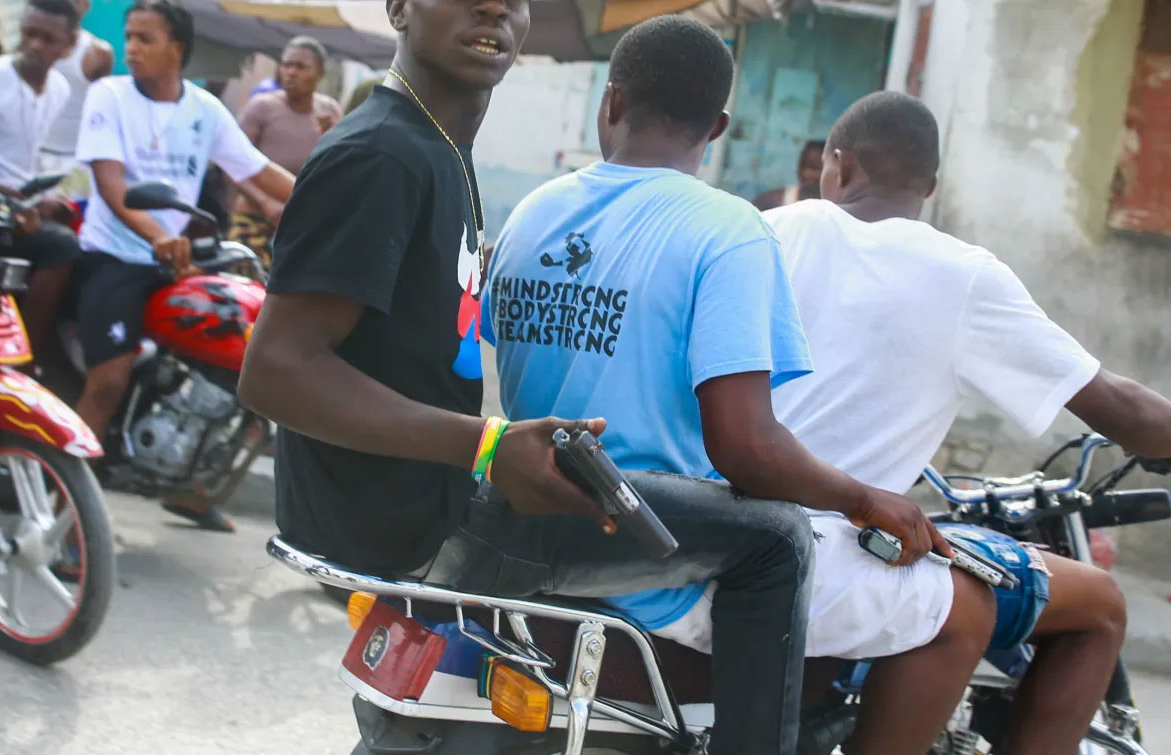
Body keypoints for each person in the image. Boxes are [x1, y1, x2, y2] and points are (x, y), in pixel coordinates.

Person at [238, 8, 815, 755]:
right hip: (432, 520)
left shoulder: (447, 155)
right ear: (400, 9)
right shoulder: (382, 154)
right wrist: (488, 445)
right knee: (778, 538)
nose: (494, 8)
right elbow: (276, 371)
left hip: (427, 504)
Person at [631, 92, 1171, 755]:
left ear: (838, 166)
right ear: (931, 187)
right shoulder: (966, 275)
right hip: (824, 550)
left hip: (703, 533)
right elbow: (1121, 409)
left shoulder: (765, 229)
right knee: (1099, 605)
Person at [481, 16, 965, 752]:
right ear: (720, 126)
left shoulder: (531, 212)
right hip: (652, 556)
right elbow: (745, 446)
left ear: (610, 103)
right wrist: (864, 497)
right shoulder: (729, 228)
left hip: (531, 524)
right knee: (781, 540)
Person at [74, 0, 293, 531]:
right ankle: (66, 516)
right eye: (130, 36)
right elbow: (112, 185)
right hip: (115, 256)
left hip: (176, 261)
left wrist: (339, 202)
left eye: (145, 38)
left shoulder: (204, 109)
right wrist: (156, 236)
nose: (132, 48)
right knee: (107, 382)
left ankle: (194, 487)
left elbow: (261, 172)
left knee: (241, 344)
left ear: (177, 49)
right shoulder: (109, 95)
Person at [0, 0, 83, 356]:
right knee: (60, 245)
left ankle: (31, 355)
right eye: (29, 34)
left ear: (69, 44)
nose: (35, 45)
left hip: (13, 203)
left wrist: (36, 200)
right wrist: (16, 204)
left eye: (47, 38)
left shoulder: (60, 89)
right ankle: (21, 356)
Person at [228, 36, 341, 267]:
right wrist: (266, 203)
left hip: (305, 225)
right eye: (287, 64)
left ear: (320, 74)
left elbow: (341, 172)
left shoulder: (329, 111)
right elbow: (232, 164)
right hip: (256, 221)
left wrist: (335, 136)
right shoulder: (260, 108)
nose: (290, 72)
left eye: (301, 67)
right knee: (250, 293)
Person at [38, 0, 112, 199]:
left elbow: (102, 110)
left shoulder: (97, 53)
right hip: (33, 156)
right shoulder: (33, 44)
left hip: (75, 161)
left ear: (86, 5)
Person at [752, 139, 823, 211]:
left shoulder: (832, 208)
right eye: (802, 165)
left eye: (814, 168)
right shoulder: (772, 202)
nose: (805, 173)